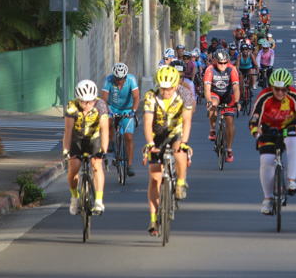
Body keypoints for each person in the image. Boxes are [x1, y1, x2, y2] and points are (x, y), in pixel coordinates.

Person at [249, 68, 296, 214]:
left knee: (294, 138)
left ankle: (291, 181)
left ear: (288, 88)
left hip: (288, 126)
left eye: (283, 90)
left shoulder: (294, 96)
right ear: (272, 87)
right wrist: (255, 130)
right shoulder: (264, 96)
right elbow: (255, 117)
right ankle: (267, 199)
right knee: (267, 161)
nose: (280, 93)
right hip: (268, 128)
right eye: (276, 89)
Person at [142, 66, 193, 236]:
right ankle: (153, 219)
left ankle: (180, 183)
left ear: (176, 85)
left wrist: (184, 142)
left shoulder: (184, 94)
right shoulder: (151, 96)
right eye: (163, 88)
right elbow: (148, 122)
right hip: (157, 135)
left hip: (176, 133)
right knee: (155, 177)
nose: (166, 91)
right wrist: (150, 143)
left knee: (179, 152)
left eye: (169, 88)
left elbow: (187, 120)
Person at [64, 80, 109, 215]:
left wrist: (104, 150)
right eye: (84, 102)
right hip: (77, 139)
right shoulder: (72, 106)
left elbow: (105, 129)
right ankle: (75, 197)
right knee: (74, 166)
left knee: (96, 165)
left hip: (94, 138)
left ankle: (99, 201)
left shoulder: (100, 105)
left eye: (91, 101)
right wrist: (66, 150)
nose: (88, 104)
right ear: (78, 99)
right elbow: (68, 130)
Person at [101, 63, 140, 176]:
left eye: (122, 79)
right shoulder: (108, 80)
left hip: (127, 109)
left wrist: (134, 111)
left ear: (126, 77)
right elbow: (103, 99)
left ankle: (129, 165)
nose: (119, 81)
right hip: (112, 107)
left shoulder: (131, 79)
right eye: (117, 79)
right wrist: (108, 111)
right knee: (107, 120)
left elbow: (136, 97)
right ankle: (112, 140)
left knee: (129, 137)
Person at [203, 49, 241, 162]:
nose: (223, 65)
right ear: (215, 61)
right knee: (213, 104)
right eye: (220, 63)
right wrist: (209, 101)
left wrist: (237, 102)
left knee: (229, 121)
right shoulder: (210, 70)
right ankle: (212, 129)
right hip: (215, 94)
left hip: (228, 95)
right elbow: (207, 88)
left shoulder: (232, 69)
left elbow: (236, 87)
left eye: (225, 63)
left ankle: (229, 149)